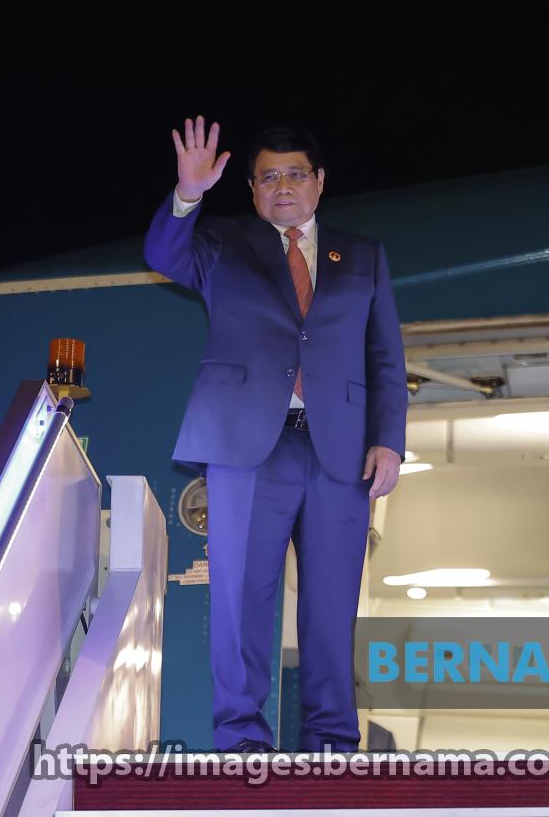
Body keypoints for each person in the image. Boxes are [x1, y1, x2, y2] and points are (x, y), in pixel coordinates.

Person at [144, 116, 408, 752]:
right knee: (240, 599)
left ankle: (333, 742)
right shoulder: (223, 245)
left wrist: (389, 439)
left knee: (332, 604)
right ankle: (241, 741)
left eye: (294, 174)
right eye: (268, 178)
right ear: (252, 190)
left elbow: (385, 356)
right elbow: (163, 256)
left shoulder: (363, 255)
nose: (282, 186)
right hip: (247, 447)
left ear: (319, 181)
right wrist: (187, 195)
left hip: (340, 451)